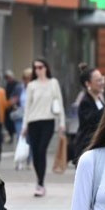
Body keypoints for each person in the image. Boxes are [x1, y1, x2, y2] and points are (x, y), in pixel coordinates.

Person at [20, 58, 65, 197]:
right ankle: (39, 182)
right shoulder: (31, 85)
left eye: (41, 67)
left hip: (48, 121)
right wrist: (24, 125)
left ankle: (40, 183)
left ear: (46, 68)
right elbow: (27, 107)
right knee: (35, 152)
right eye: (36, 68)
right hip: (33, 121)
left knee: (41, 150)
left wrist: (62, 123)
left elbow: (60, 103)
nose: (38, 70)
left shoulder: (53, 83)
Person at [73, 66, 105, 162]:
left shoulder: (99, 98)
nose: (102, 83)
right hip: (87, 146)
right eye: (98, 81)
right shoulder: (85, 102)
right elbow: (94, 120)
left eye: (102, 79)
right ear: (88, 83)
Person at [3, 70, 22, 143]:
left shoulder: (17, 85)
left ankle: (15, 136)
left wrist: (14, 103)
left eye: (8, 77)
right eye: (6, 78)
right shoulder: (7, 85)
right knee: (8, 123)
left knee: (14, 123)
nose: (8, 79)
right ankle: (11, 135)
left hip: (15, 107)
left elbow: (17, 96)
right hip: (7, 106)